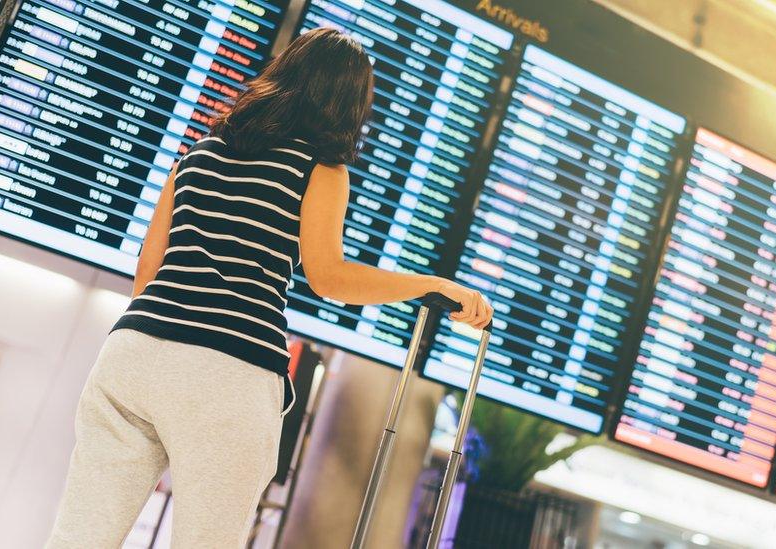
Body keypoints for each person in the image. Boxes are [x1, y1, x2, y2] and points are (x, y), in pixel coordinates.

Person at [45, 27, 493, 548]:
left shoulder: (199, 152)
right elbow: (329, 277)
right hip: (228, 373)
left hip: (132, 356)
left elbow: (149, 272)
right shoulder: (319, 166)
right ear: (349, 102)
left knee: (78, 538)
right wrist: (430, 285)